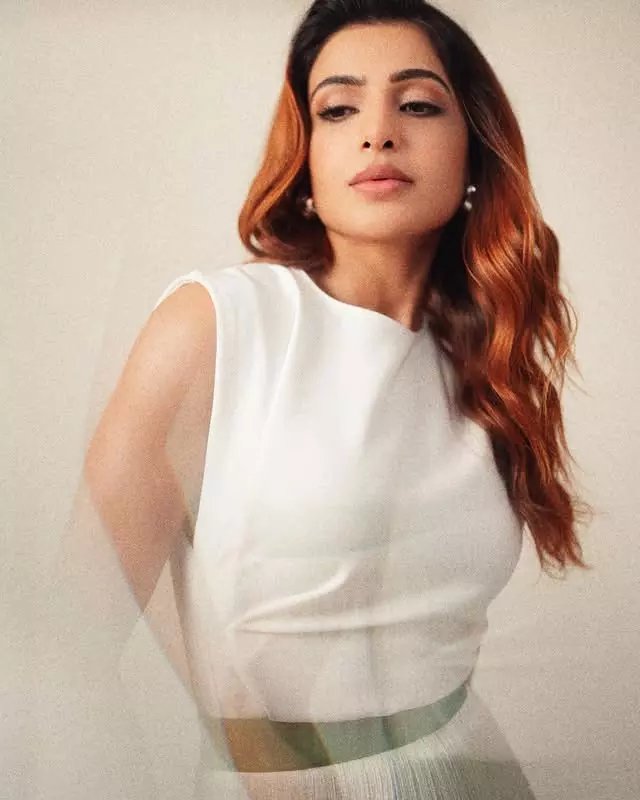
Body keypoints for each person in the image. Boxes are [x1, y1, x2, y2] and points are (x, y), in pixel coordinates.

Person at [82, 1, 591, 797]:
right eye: (339, 109)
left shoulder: (481, 354)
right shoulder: (219, 323)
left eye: (417, 104)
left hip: (471, 766)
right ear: (307, 161)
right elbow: (66, 642)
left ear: (474, 152)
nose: (378, 132)